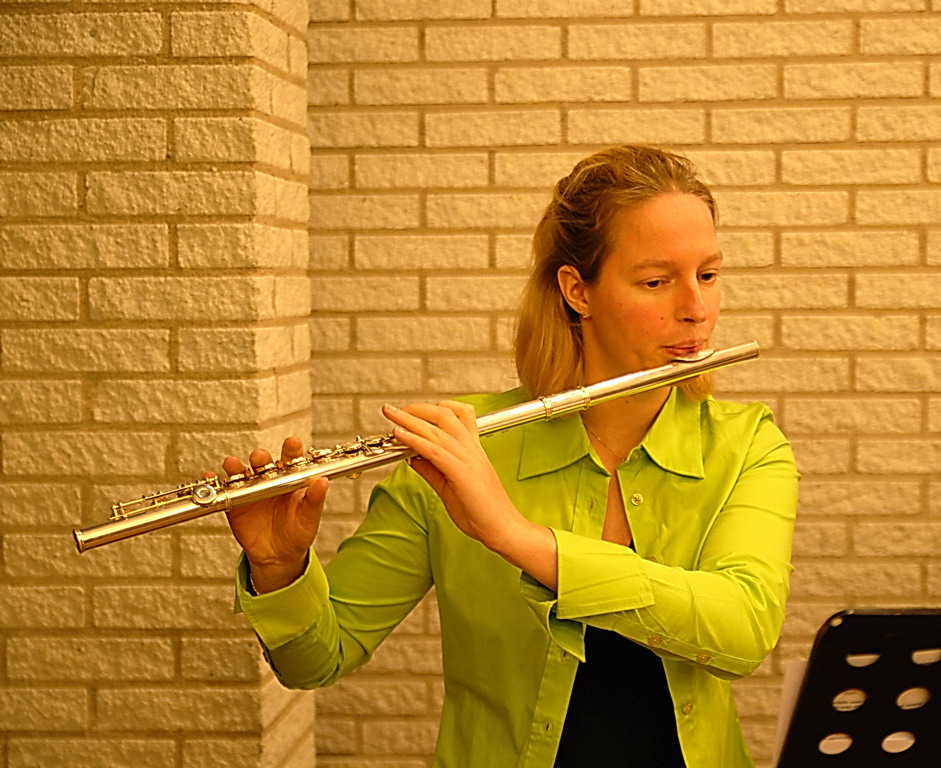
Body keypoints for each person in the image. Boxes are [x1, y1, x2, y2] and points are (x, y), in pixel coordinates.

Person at [222, 145, 799, 767]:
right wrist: (280, 568)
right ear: (578, 290)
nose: (696, 308)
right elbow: (317, 660)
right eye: (657, 281)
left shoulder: (749, 446)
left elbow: (741, 633)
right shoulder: (463, 449)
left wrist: (516, 537)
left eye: (708, 275)